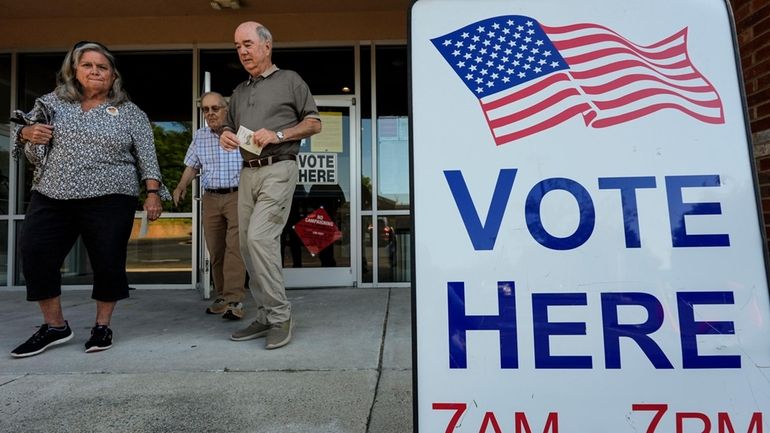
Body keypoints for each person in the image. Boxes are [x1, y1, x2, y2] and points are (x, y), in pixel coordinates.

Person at [10, 41, 170, 358]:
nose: (95, 71)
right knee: (35, 252)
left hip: (111, 196)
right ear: (74, 70)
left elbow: (148, 157)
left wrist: (152, 193)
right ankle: (54, 326)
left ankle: (101, 326)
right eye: (88, 65)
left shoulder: (130, 112)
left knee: (107, 261)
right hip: (53, 193)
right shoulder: (52, 103)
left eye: (102, 67)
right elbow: (24, 133)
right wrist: (26, 134)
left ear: (113, 76)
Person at [220, 21, 321, 349]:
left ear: (267, 45)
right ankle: (265, 314)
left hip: (279, 167)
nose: (243, 51)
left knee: (260, 239)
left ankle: (280, 316)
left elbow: (314, 123)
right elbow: (228, 126)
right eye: (237, 46)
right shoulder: (239, 91)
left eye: (248, 44)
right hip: (247, 171)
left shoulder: (290, 80)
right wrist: (225, 134)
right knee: (247, 247)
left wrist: (278, 134)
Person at [173, 91, 247, 320]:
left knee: (235, 248)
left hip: (237, 195)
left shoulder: (240, 133)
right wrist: (181, 185)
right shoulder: (200, 135)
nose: (210, 113)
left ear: (226, 109)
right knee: (216, 250)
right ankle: (223, 295)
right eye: (206, 109)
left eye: (215, 108)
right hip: (211, 198)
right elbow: (192, 165)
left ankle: (235, 300)